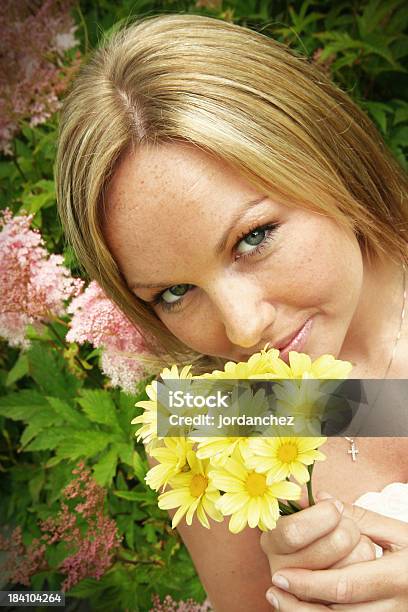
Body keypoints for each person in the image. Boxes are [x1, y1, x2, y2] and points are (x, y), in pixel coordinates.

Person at [54, 13, 408, 611]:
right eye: (173, 293)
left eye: (253, 237)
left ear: (326, 157)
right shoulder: (211, 425)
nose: (244, 328)